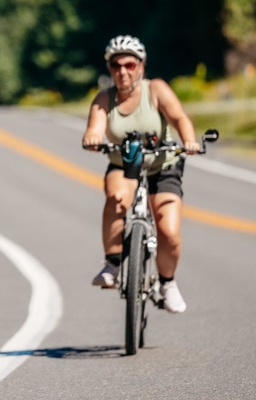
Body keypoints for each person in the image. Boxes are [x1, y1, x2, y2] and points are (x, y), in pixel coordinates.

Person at [81, 35, 200, 314]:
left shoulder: (156, 89)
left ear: (141, 66)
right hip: (124, 164)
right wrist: (92, 138)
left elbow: (179, 117)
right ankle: (112, 262)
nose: (123, 71)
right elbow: (94, 128)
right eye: (116, 66)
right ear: (110, 69)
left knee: (168, 231)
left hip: (163, 164)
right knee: (116, 198)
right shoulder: (104, 98)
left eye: (130, 65)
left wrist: (189, 140)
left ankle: (167, 284)